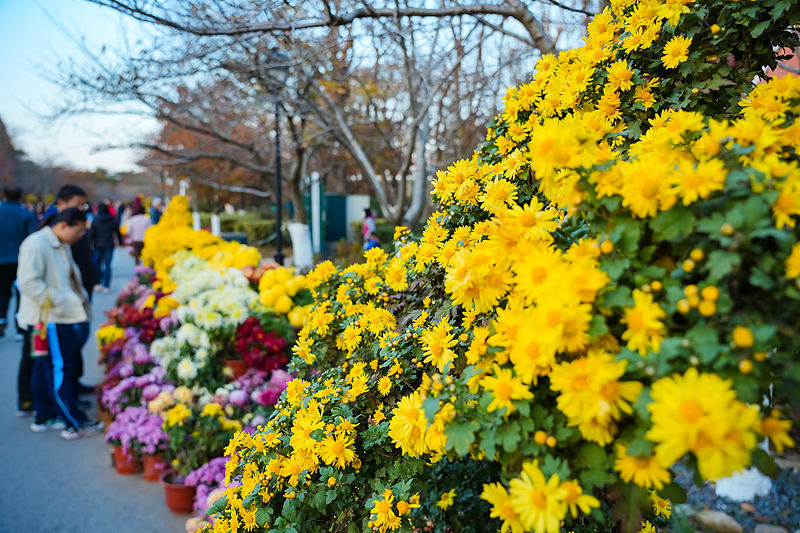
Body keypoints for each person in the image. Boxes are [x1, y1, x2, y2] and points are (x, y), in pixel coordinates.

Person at [17, 208, 103, 439]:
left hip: (53, 317)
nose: (81, 236)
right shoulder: (37, 244)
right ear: (64, 226)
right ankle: (74, 423)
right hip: (51, 319)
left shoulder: (58, 242)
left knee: (45, 369)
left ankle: (44, 416)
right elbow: (28, 282)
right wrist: (61, 301)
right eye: (79, 231)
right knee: (60, 369)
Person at [37, 185, 97, 398]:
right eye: (78, 204)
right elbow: (30, 281)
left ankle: (70, 390)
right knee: (52, 361)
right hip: (53, 311)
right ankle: (51, 407)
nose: (82, 209)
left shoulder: (63, 237)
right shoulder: (44, 239)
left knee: (68, 352)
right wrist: (61, 299)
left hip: (70, 301)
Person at [0, 187, 36, 340]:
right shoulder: (27, 214)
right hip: (21, 259)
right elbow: (32, 238)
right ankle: (20, 326)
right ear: (21, 196)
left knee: (2, 292)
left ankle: (1, 319)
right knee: (22, 292)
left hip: (1, 259)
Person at [89, 203, 123, 294]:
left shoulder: (95, 220)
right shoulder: (111, 220)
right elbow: (117, 232)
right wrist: (120, 242)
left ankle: (98, 283)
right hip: (109, 245)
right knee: (108, 266)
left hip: (97, 246)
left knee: (97, 265)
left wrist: (90, 244)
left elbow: (92, 234)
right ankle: (106, 286)